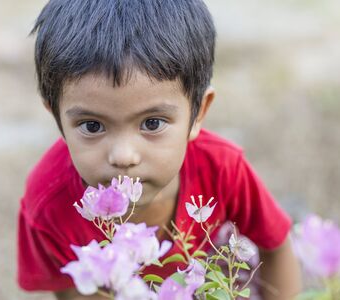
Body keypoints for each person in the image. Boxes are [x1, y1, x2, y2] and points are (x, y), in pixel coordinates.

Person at [17, 0, 302, 299]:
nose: (124, 156)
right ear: (57, 119)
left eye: (152, 123)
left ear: (198, 113)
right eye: (92, 126)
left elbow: (277, 247)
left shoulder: (223, 167)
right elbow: (76, 292)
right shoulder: (49, 202)